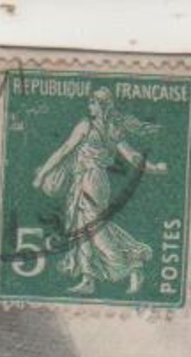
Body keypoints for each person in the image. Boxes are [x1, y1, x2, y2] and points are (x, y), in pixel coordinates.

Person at [30, 88, 169, 295]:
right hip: (96, 181)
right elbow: (132, 156)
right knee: (82, 227)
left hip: (89, 180)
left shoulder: (86, 126)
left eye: (93, 103)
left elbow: (64, 150)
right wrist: (154, 167)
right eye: (90, 103)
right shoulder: (113, 129)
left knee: (94, 230)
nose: (89, 107)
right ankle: (88, 278)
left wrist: (42, 175)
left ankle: (132, 266)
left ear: (101, 105)